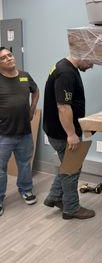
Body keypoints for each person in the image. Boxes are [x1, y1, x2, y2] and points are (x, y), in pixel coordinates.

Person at [43, 56, 95, 220]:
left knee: (67, 167)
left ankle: (55, 197)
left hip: (57, 130)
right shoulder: (66, 73)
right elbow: (63, 107)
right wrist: (71, 134)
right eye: (91, 62)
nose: (92, 66)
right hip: (63, 134)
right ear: (83, 55)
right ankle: (71, 208)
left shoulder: (64, 66)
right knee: (71, 170)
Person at [0, 47, 39, 216]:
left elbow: (35, 91)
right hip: (3, 134)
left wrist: (32, 108)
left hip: (24, 132)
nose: (8, 59)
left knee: (24, 164)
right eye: (3, 58)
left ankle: (26, 189)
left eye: (9, 55)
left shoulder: (25, 75)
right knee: (0, 168)